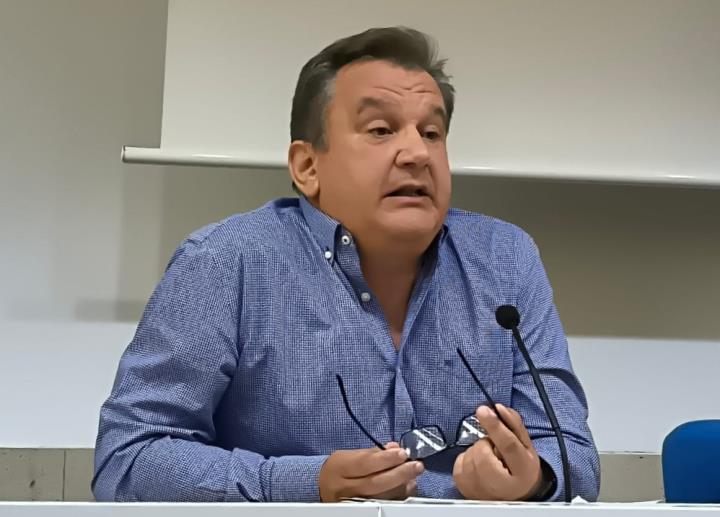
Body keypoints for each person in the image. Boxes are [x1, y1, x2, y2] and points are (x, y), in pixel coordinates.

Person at [93, 27, 600, 503]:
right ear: (307, 166)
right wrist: (304, 485)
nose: (416, 153)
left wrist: (534, 481)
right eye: (381, 129)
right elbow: (128, 459)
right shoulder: (226, 263)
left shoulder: (505, 259)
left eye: (432, 133)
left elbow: (572, 451)